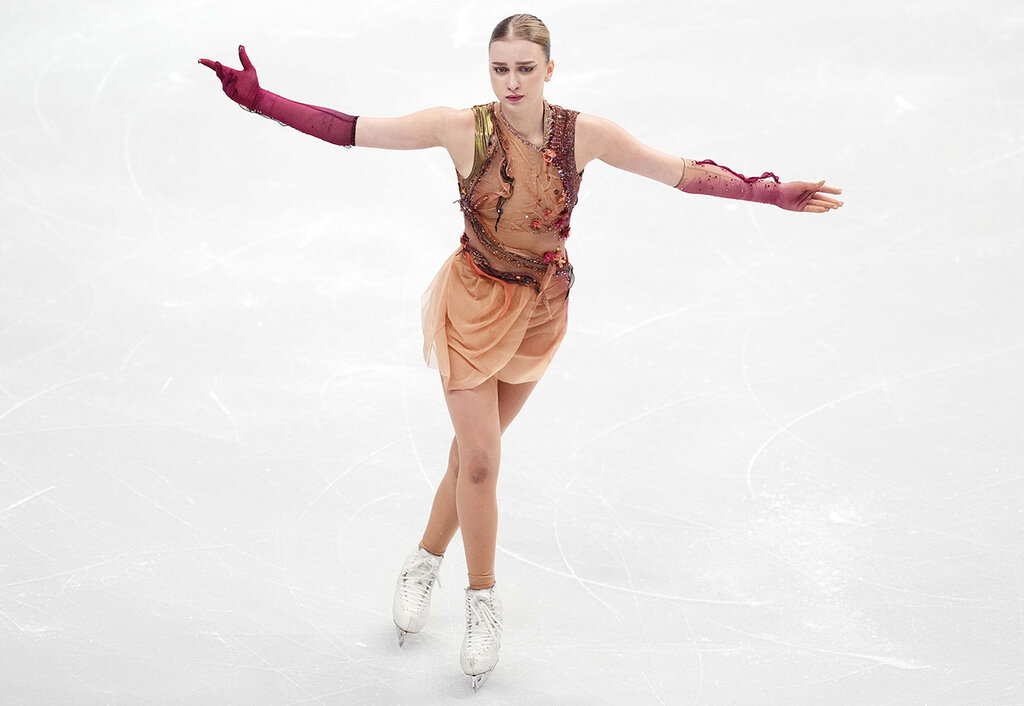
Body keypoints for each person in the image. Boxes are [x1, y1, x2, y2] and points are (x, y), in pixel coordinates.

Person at [199, 12, 844, 692]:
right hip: (471, 305)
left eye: (525, 69)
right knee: (481, 460)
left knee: (468, 457)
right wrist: (260, 101)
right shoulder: (459, 128)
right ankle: (481, 599)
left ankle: (423, 559)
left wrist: (770, 194)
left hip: (540, 311)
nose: (511, 82)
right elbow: (352, 129)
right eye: (500, 68)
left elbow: (679, 173)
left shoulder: (585, 135)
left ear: (549, 70)